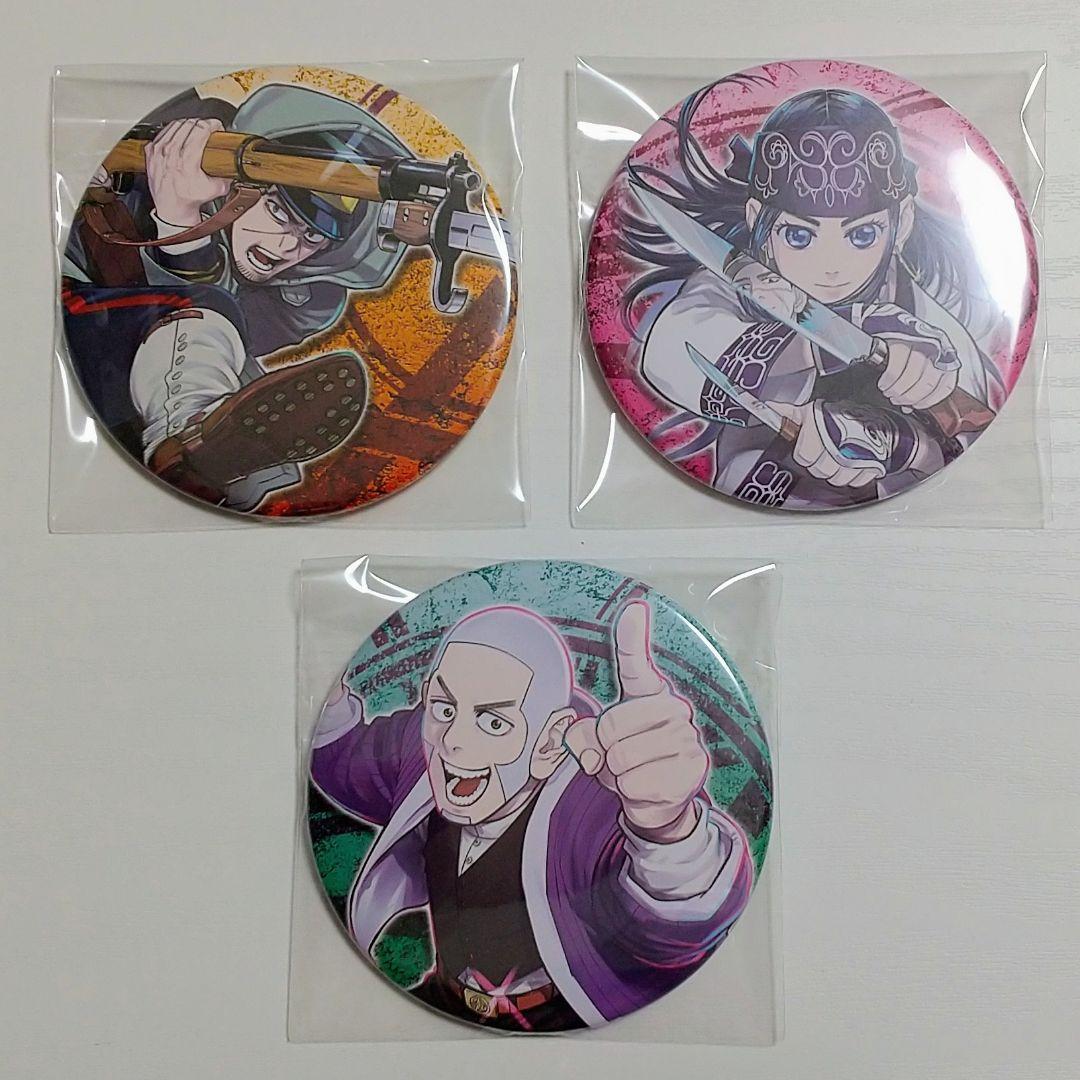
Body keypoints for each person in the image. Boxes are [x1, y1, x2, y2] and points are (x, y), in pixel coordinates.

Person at [310, 601, 753, 1031]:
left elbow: (673, 928)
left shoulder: (594, 800)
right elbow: (348, 759)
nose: (453, 741)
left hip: (575, 1027)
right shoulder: (422, 743)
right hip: (441, 1009)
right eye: (444, 708)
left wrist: (667, 827)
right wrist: (321, 678)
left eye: (493, 723)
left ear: (549, 742)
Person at [624, 84, 1003, 509]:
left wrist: (903, 445)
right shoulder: (741, 284)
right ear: (756, 219)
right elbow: (670, 352)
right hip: (739, 503)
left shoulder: (935, 334)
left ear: (902, 223)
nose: (831, 266)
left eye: (862, 234)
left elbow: (971, 449)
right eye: (799, 235)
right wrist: (829, 344)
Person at [62, 83, 411, 510]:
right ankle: (187, 437)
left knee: (220, 344)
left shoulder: (308, 301)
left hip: (127, 391)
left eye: (312, 237)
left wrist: (179, 220)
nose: (286, 247)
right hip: (70, 330)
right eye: (278, 211)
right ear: (236, 188)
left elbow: (220, 326)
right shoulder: (146, 166)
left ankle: (193, 446)